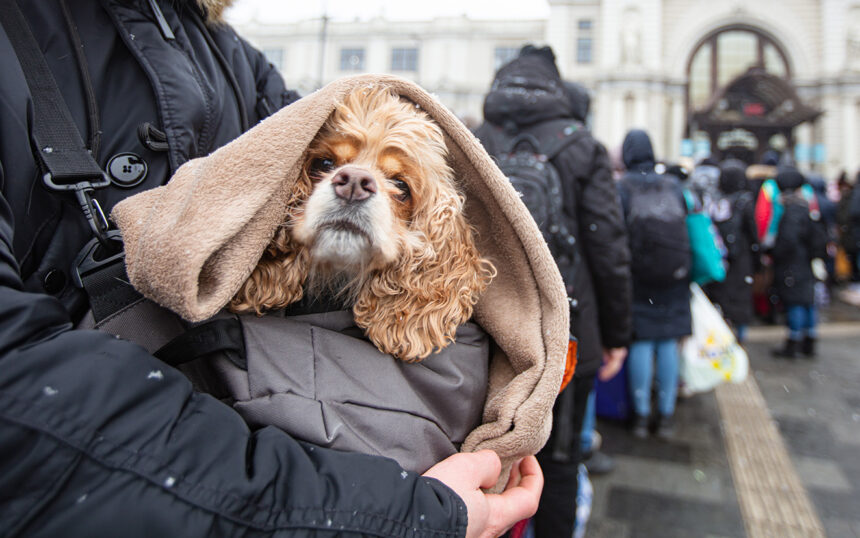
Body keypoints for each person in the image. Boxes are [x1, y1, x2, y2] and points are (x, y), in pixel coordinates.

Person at [0, 1, 540, 535]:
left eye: (396, 183)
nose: (352, 181)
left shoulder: (235, 59)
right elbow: (21, 391)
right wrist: (399, 514)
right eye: (328, 166)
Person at [474, 45, 632, 538]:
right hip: (566, 331)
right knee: (560, 461)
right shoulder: (581, 145)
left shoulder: (474, 138)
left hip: (484, 327)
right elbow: (608, 245)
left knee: (482, 455)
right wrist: (617, 332)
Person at [617, 129, 692, 440]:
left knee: (642, 342)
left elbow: (616, 233)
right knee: (668, 341)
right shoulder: (673, 184)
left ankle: (640, 415)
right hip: (675, 275)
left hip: (639, 276)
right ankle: (666, 416)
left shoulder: (622, 187)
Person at [770, 168, 828, 358]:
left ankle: (793, 342)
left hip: (792, 265)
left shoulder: (792, 211)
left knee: (795, 301)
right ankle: (809, 339)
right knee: (807, 301)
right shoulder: (806, 207)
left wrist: (775, 253)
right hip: (804, 263)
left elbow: (787, 240)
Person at [706, 160, 760, 343]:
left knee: (721, 300)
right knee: (741, 301)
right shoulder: (745, 200)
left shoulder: (714, 199)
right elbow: (753, 232)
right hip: (741, 258)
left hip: (719, 256)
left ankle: (722, 339)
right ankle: (740, 340)